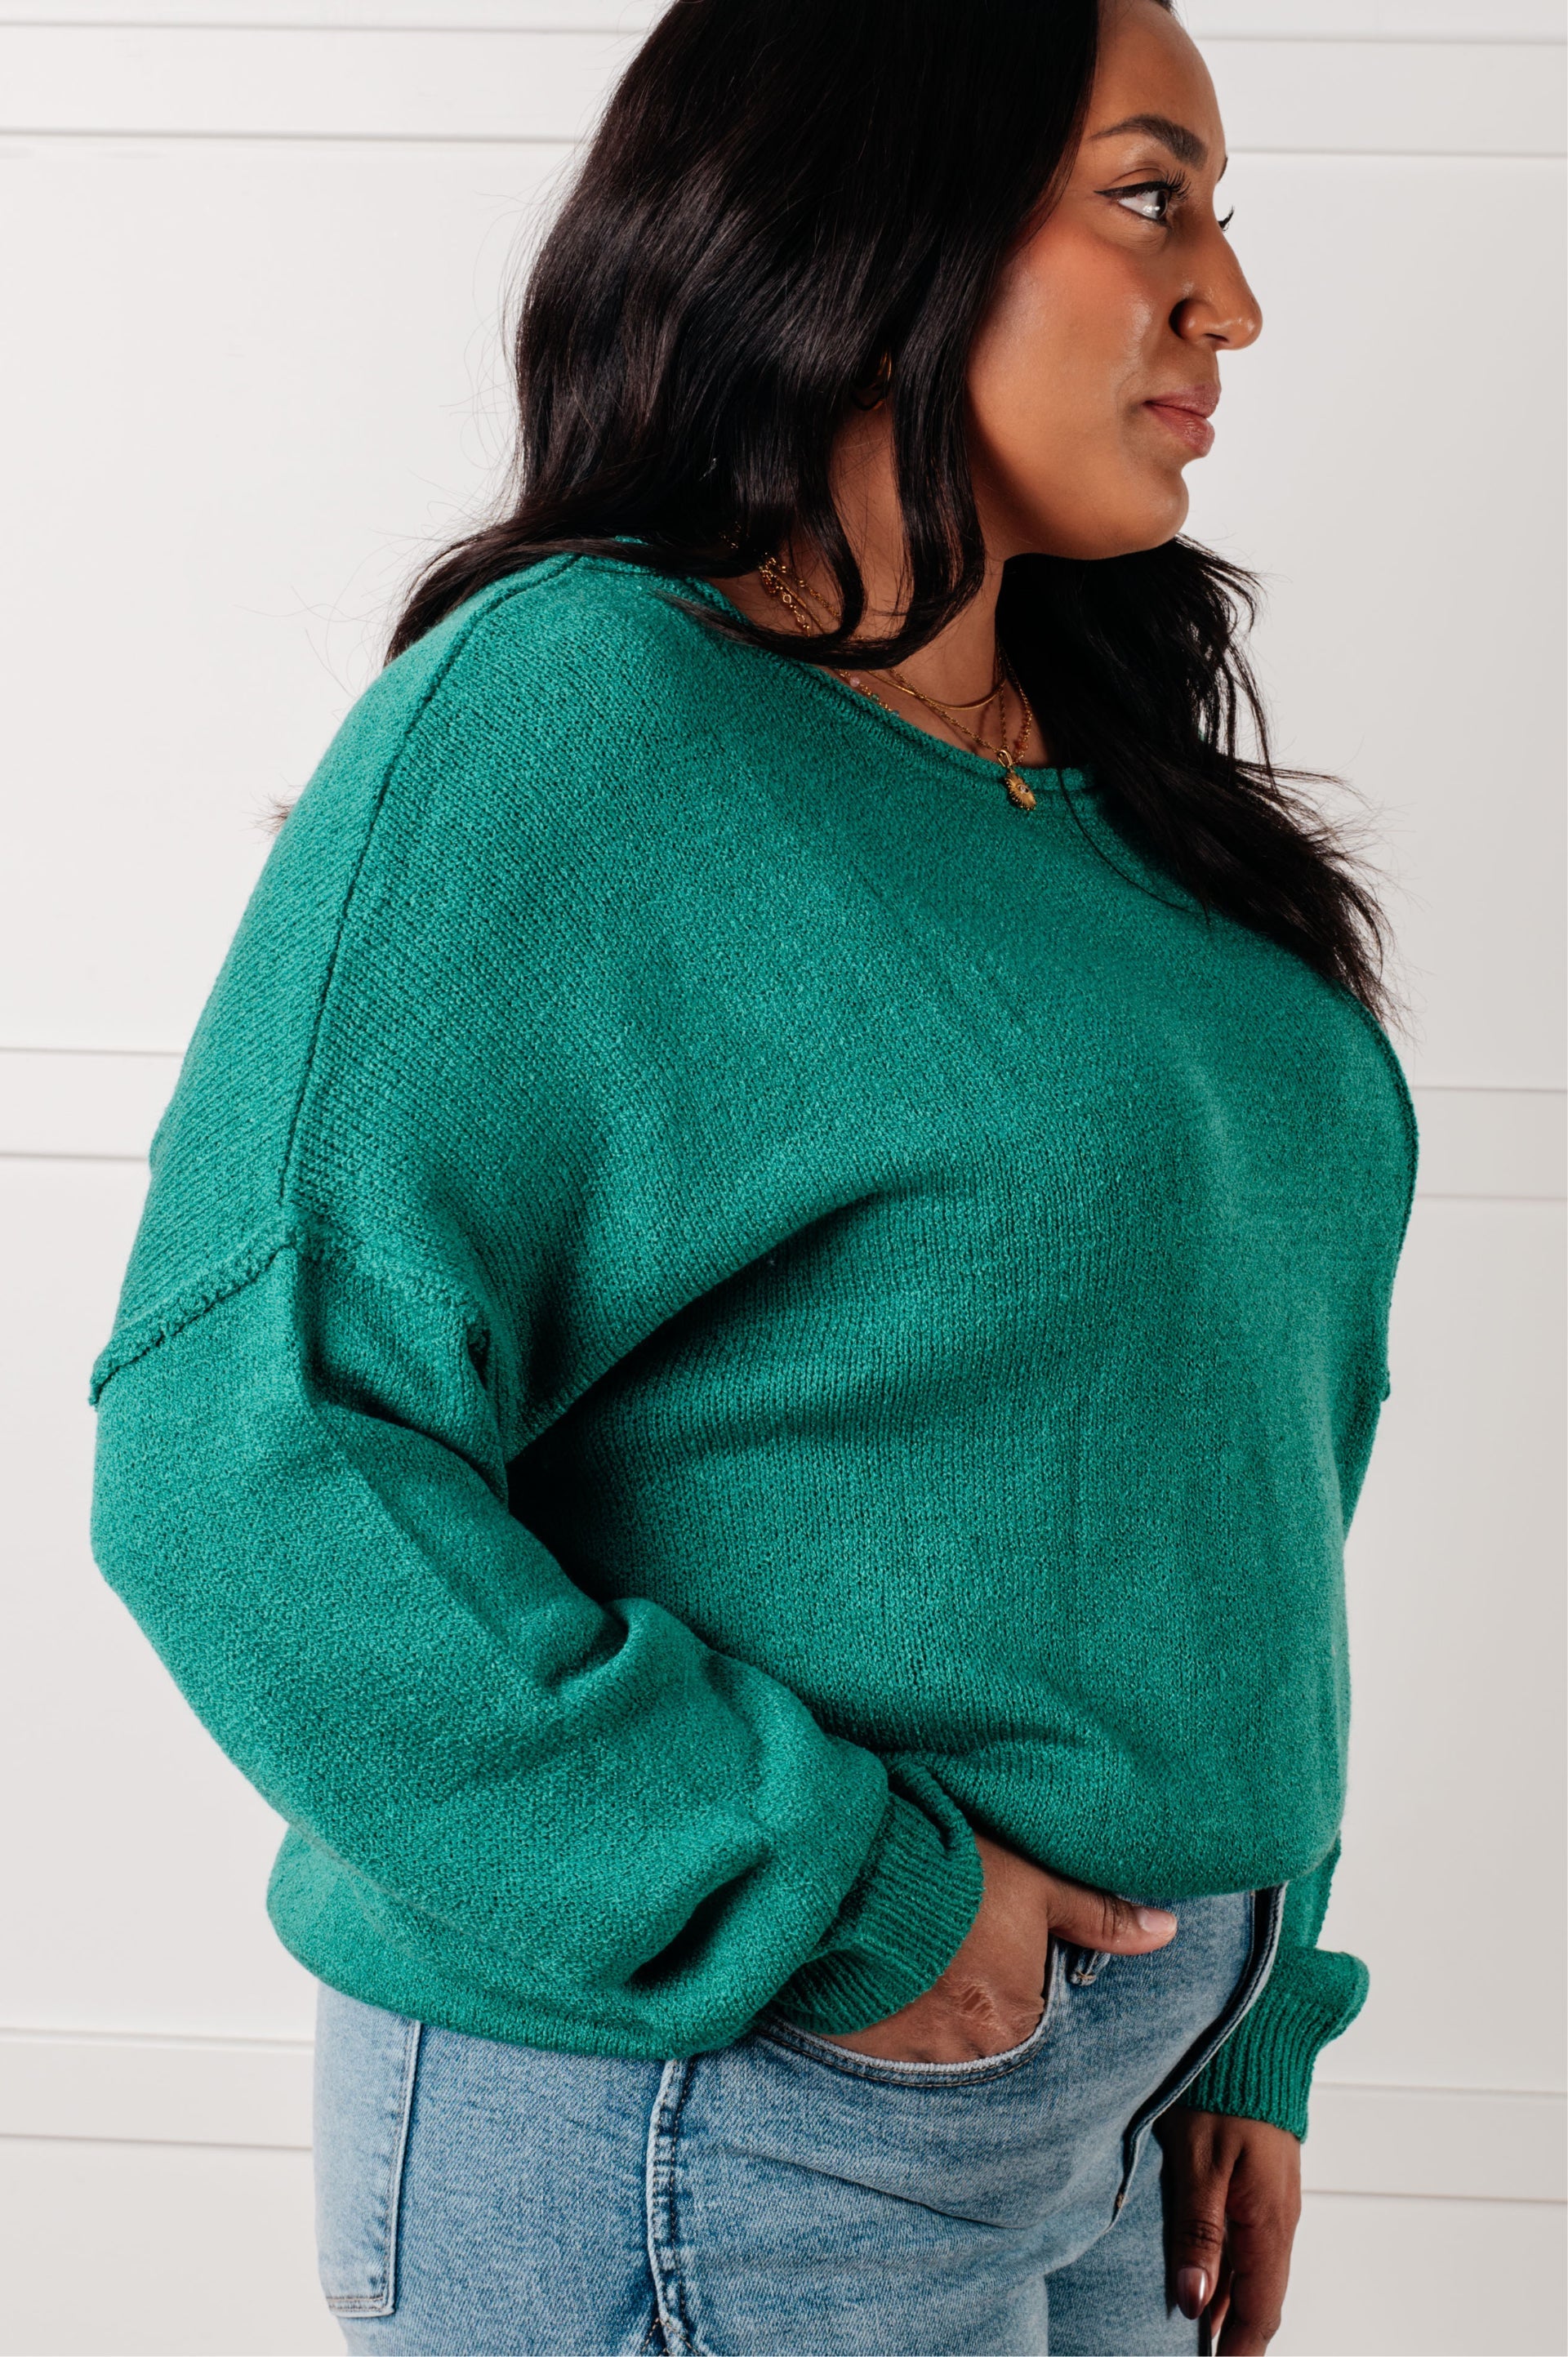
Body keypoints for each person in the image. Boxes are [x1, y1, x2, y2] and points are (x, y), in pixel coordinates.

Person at [88, 1, 1417, 2350]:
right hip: (727, 2096)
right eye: (1150, 199)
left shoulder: (1121, 796)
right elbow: (241, 1449)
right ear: (873, 210)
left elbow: (1229, 1446)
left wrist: (1256, 2000)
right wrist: (844, 1904)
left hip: (1124, 2099)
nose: (1229, 300)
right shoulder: (577, 713)